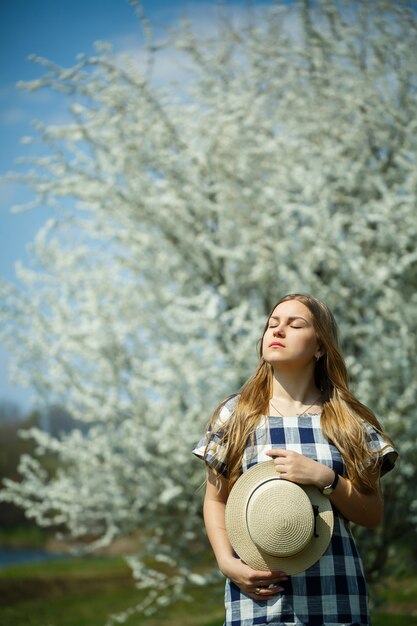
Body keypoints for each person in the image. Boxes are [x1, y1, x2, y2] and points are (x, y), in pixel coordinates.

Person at [193, 293, 398, 626]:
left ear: (320, 346)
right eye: (272, 324)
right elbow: (216, 500)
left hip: (335, 594)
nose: (278, 330)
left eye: (294, 324)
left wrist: (326, 479)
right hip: (258, 597)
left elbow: (372, 513)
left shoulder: (347, 421)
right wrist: (226, 561)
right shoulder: (237, 415)